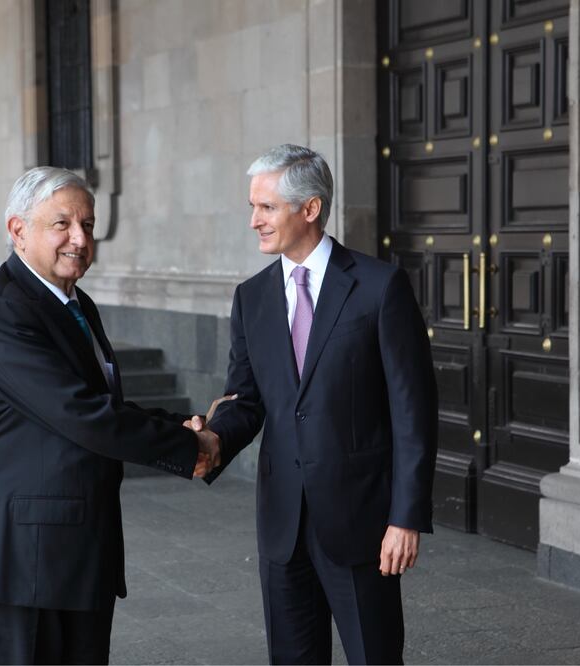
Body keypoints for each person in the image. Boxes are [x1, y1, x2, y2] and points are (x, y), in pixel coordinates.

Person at [0, 167, 219, 665]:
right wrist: (186, 450)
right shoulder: (4, 310)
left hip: (69, 549)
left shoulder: (73, 302)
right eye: (62, 224)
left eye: (88, 225)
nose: (79, 238)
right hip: (15, 562)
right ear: (18, 230)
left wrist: (175, 425)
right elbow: (80, 414)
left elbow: (94, 400)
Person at [196, 144, 438, 664]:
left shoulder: (379, 287)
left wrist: (406, 517)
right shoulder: (251, 297)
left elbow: (412, 411)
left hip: (363, 524)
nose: (253, 221)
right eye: (252, 207)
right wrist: (210, 439)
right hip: (282, 525)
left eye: (266, 208)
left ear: (310, 208)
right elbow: (246, 399)